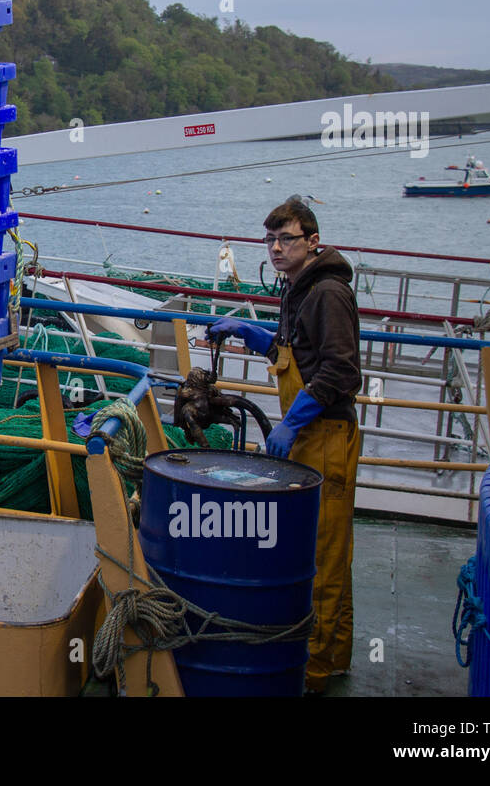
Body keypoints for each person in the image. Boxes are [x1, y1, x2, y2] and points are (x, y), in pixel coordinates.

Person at [207, 195, 361, 694]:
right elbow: (292, 352)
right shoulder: (298, 289)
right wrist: (251, 333)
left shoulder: (328, 294)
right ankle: (333, 656)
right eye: (270, 239)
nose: (276, 247)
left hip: (326, 437)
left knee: (323, 556)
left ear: (312, 242)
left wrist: (291, 422)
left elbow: (341, 369)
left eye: (286, 238)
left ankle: (313, 672)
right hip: (310, 437)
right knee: (324, 549)